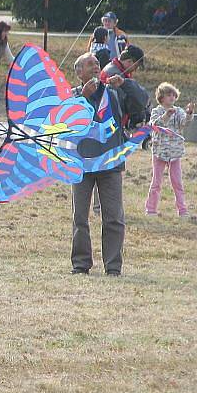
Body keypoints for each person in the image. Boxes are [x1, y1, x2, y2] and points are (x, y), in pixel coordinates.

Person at [69, 53, 127, 276]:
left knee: (113, 217)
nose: (95, 67)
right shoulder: (73, 96)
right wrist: (83, 98)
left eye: (97, 64)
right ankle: (80, 264)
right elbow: (65, 123)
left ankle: (113, 266)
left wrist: (126, 85)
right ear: (79, 72)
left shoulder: (111, 92)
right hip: (82, 165)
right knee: (80, 218)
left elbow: (141, 104)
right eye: (90, 64)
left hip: (110, 163)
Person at [146, 83, 194, 217]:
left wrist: (189, 113)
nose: (172, 97)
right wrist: (166, 115)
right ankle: (151, 209)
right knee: (156, 182)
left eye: (173, 95)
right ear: (161, 97)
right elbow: (155, 125)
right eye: (168, 95)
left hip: (175, 153)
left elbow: (185, 123)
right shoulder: (157, 111)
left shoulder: (179, 111)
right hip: (159, 152)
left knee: (177, 183)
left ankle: (182, 210)